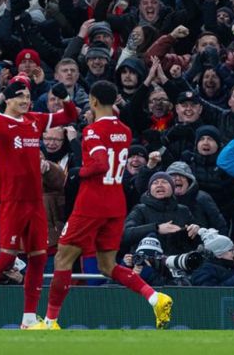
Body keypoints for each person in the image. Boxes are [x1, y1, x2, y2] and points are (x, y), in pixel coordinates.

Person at [33, 80, 172, 330]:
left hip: (92, 202)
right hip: (115, 202)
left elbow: (99, 163)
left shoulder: (93, 131)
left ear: (94, 101)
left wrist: (78, 173)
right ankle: (155, 297)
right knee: (107, 265)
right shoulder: (126, 131)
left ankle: (50, 321)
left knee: (63, 258)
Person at [0, 74, 78, 330]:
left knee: (38, 258)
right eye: (20, 96)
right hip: (12, 199)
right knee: (6, 256)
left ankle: (28, 317)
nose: (26, 100)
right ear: (10, 100)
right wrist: (3, 93)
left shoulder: (34, 120)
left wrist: (65, 96)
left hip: (35, 199)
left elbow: (68, 116)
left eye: (28, 96)